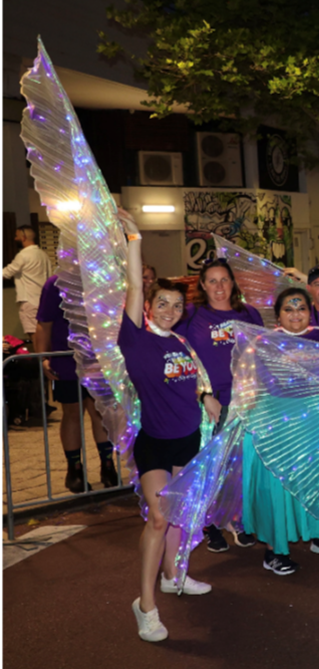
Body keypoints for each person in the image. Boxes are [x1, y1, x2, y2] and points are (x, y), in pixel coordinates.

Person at [118, 209, 218, 642]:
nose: (170, 311)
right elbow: (134, 284)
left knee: (177, 514)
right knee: (158, 519)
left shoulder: (180, 341)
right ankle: (146, 606)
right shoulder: (134, 337)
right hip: (155, 443)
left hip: (188, 439)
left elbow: (195, 379)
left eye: (177, 306)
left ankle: (173, 574)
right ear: (148, 307)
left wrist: (205, 395)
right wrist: (135, 238)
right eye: (162, 304)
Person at [242, 287, 319, 575]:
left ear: (310, 312)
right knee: (278, 486)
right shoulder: (264, 342)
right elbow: (260, 383)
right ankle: (274, 551)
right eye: (288, 309)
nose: (296, 314)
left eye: (301, 308)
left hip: (318, 425)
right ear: (278, 316)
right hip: (280, 424)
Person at [177, 256, 264, 552]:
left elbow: (262, 355)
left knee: (239, 467)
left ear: (233, 283)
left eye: (224, 279)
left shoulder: (249, 313)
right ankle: (209, 523)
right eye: (212, 281)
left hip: (246, 402)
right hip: (211, 405)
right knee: (211, 467)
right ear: (202, 285)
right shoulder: (191, 315)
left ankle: (236, 518)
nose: (219, 286)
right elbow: (180, 360)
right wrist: (203, 395)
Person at [35, 274, 116, 493]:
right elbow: (44, 323)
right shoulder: (55, 283)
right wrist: (43, 357)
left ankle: (108, 465)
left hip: (99, 360)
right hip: (66, 359)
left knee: (100, 413)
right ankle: (75, 470)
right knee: (72, 413)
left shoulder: (102, 275)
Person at [4, 225, 53, 339]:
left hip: (29, 299)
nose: (15, 239)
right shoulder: (43, 254)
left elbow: (7, 272)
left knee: (34, 334)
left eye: (16, 236)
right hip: (43, 299)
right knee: (44, 335)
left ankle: (39, 352)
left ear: (23, 237)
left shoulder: (23, 255)